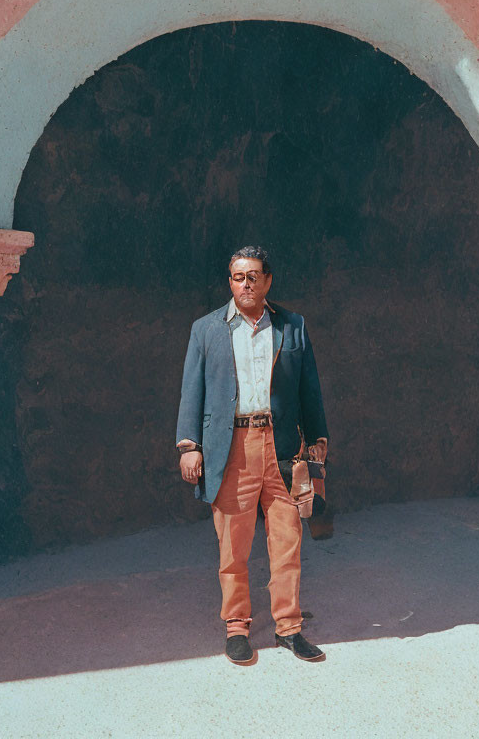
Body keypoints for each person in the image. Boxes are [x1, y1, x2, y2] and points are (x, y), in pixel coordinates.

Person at [176, 245, 329, 665]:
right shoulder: (207, 329)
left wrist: (317, 442)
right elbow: (193, 390)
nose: (246, 283)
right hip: (233, 448)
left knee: (287, 543)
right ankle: (237, 627)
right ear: (230, 281)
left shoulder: (292, 326)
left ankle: (289, 628)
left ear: (267, 281)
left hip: (283, 449)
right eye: (238, 276)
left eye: (254, 276)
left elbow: (309, 390)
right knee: (233, 545)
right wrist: (189, 445)